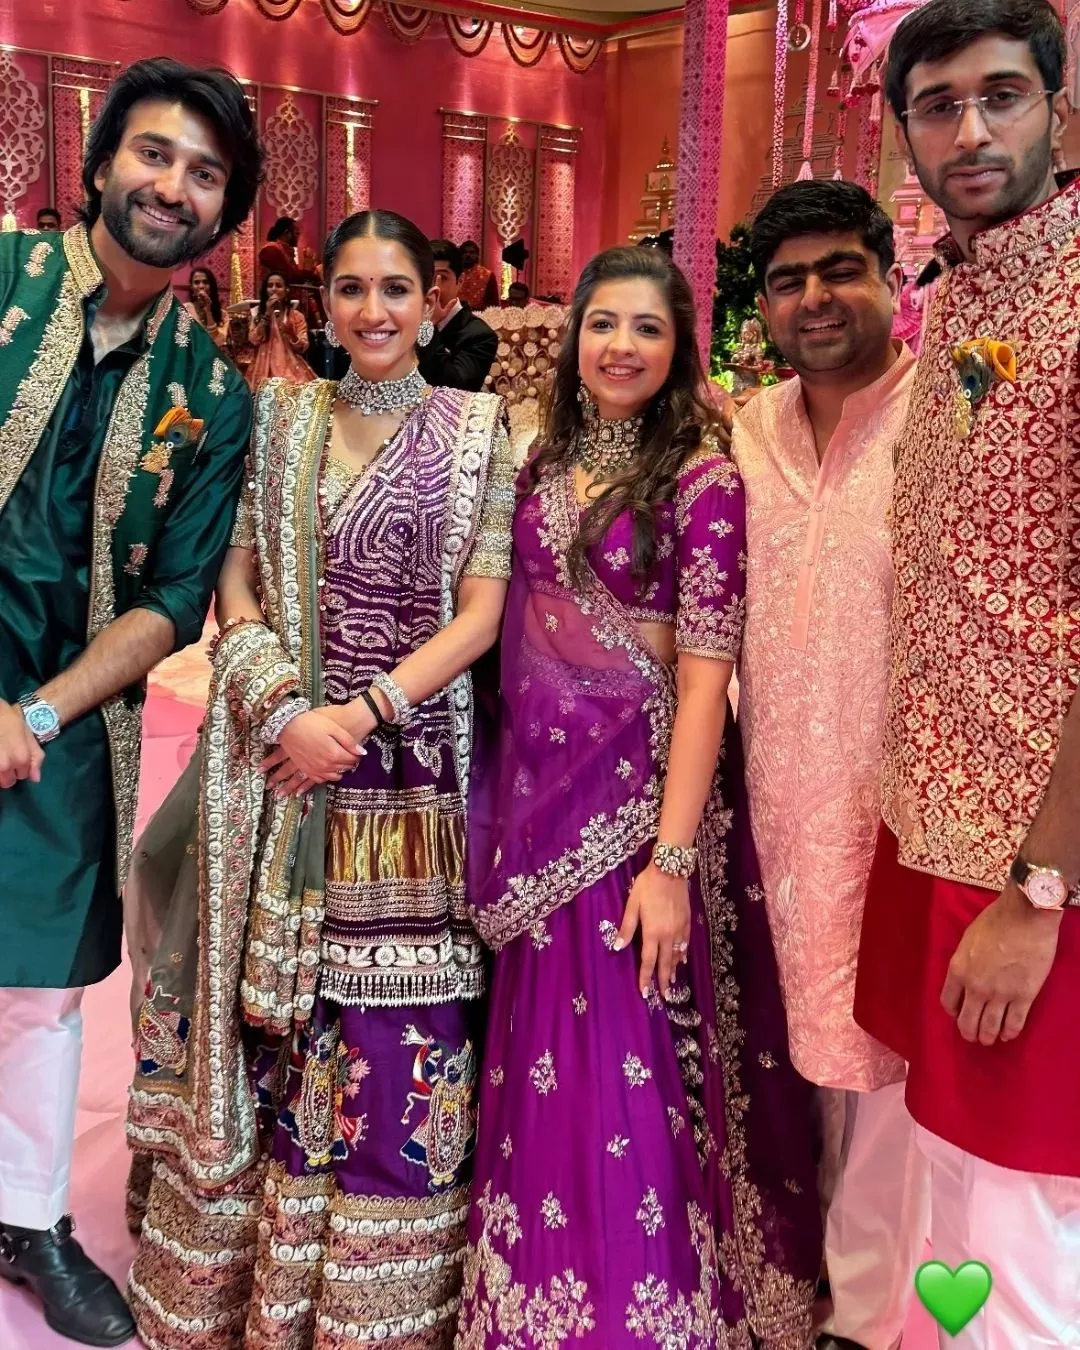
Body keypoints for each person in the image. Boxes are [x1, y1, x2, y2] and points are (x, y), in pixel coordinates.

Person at [125, 207, 515, 1350]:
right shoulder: (282, 418)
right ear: (323, 304)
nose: (373, 311)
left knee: (395, 1014)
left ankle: (374, 1298)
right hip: (283, 767)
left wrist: (362, 712)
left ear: (433, 302)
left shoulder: (478, 428)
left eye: (396, 289)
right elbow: (235, 578)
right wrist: (286, 711)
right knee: (278, 1016)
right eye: (352, 289)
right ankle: (248, 1271)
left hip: (407, 773)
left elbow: (481, 614)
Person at [456, 246, 821, 1348]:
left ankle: (639, 1313)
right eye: (603, 323)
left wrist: (669, 864)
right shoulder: (535, 463)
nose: (621, 346)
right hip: (535, 806)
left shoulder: (703, 483)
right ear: (573, 337)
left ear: (680, 349)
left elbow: (705, 680)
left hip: (638, 817)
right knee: (540, 1058)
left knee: (629, 1059)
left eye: (647, 328)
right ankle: (531, 1305)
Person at [0, 56, 260, 1348]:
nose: (173, 186)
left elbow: (172, 601)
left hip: (65, 718)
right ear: (101, 163)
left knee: (42, 983)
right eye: (154, 154)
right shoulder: (3, 280)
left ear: (225, 214)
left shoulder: (211, 391)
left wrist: (37, 717)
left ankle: (27, 1217)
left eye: (204, 174)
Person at [852, 2, 1080, 1345]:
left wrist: (1042, 892)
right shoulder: (962, 296)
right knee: (954, 1197)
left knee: (1018, 1225)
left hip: (1032, 861)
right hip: (935, 824)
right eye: (939, 106)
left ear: (1060, 105)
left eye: (1003, 95)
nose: (972, 130)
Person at [734, 179, 929, 1350]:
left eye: (840, 270)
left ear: (890, 279)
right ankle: (783, 1284)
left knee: (884, 1073)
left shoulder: (945, 416)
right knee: (775, 1058)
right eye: (787, 281)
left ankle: (862, 1316)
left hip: (892, 819)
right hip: (760, 810)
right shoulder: (742, 430)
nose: (814, 298)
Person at [418, 238, 498, 393]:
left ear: (460, 281)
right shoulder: (406, 324)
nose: (433, 288)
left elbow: (456, 388)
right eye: (427, 278)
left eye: (442, 278)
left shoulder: (479, 335)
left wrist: (428, 328)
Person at [245, 270, 314, 389]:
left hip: (291, 367)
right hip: (264, 367)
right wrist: (267, 315)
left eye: (278, 285)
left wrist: (291, 333)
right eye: (270, 286)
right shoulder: (257, 314)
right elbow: (253, 340)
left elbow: (303, 347)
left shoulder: (296, 316)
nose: (273, 289)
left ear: (287, 290)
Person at [185, 264, 228, 346]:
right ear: (191, 287)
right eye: (196, 282)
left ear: (211, 287)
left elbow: (216, 342)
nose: (201, 286)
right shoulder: (184, 309)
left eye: (205, 282)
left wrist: (208, 311)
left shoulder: (223, 315)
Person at [458, 237, 499, 310]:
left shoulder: (488, 275)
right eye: (464, 252)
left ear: (477, 255)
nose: (468, 255)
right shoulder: (454, 274)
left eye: (472, 252)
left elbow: (494, 304)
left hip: (480, 315)